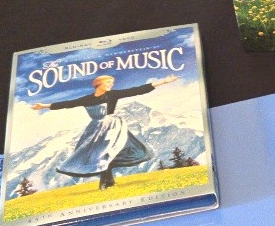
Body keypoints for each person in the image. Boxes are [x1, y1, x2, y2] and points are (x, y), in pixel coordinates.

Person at [32, 73, 178, 189]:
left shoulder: (113, 95)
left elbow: (136, 90)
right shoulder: (87, 99)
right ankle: (109, 181)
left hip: (112, 128)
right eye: (108, 82)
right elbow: (68, 103)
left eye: (112, 83)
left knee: (107, 153)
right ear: (99, 84)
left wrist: (164, 81)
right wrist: (44, 106)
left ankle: (105, 181)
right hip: (95, 129)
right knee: (99, 155)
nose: (111, 85)